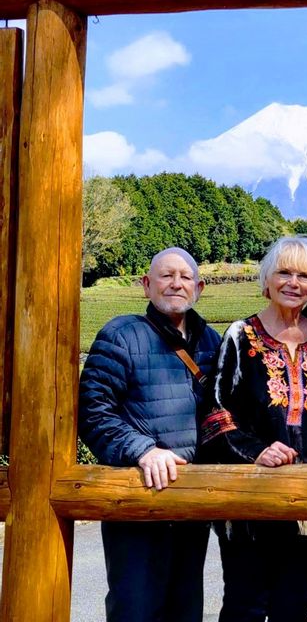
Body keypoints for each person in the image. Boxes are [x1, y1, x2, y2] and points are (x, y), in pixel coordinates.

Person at [78, 247, 221, 622]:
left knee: (186, 608)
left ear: (199, 288)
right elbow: (93, 411)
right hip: (137, 498)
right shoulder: (122, 335)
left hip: (191, 502)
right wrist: (142, 450)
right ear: (146, 285)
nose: (176, 284)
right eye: (166, 276)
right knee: (135, 608)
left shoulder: (211, 342)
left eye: (185, 277)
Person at [201, 235, 307, 622]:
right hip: (248, 499)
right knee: (246, 604)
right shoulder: (241, 336)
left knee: (295, 604)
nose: (294, 282)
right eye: (284, 272)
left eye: (304, 275)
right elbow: (215, 412)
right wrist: (256, 450)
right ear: (266, 280)